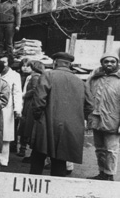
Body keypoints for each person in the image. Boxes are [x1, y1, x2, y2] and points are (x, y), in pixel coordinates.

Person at [30, 52, 93, 177]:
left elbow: (39, 101)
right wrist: (79, 118)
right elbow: (90, 105)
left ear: (55, 63)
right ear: (70, 65)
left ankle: (32, 191)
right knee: (60, 159)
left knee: (38, 156)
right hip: (69, 126)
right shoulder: (80, 81)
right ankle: (56, 191)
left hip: (47, 122)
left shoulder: (47, 75)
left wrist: (37, 116)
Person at [85, 52, 120, 181]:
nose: (109, 64)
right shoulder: (94, 78)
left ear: (117, 63)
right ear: (102, 63)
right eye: (106, 61)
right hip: (96, 120)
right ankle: (102, 173)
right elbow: (87, 96)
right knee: (99, 149)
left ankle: (110, 174)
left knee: (111, 150)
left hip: (113, 121)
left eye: (112, 61)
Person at [0, 53, 22, 166]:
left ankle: (3, 159)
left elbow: (17, 93)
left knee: (6, 135)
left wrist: (18, 109)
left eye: (4, 62)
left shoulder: (14, 75)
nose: (2, 65)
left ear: (9, 63)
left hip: (7, 108)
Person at [19, 60, 44, 161]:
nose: (27, 68)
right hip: (29, 103)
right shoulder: (33, 76)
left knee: (28, 127)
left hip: (30, 104)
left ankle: (29, 152)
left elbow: (34, 90)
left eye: (29, 66)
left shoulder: (35, 77)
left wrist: (25, 95)